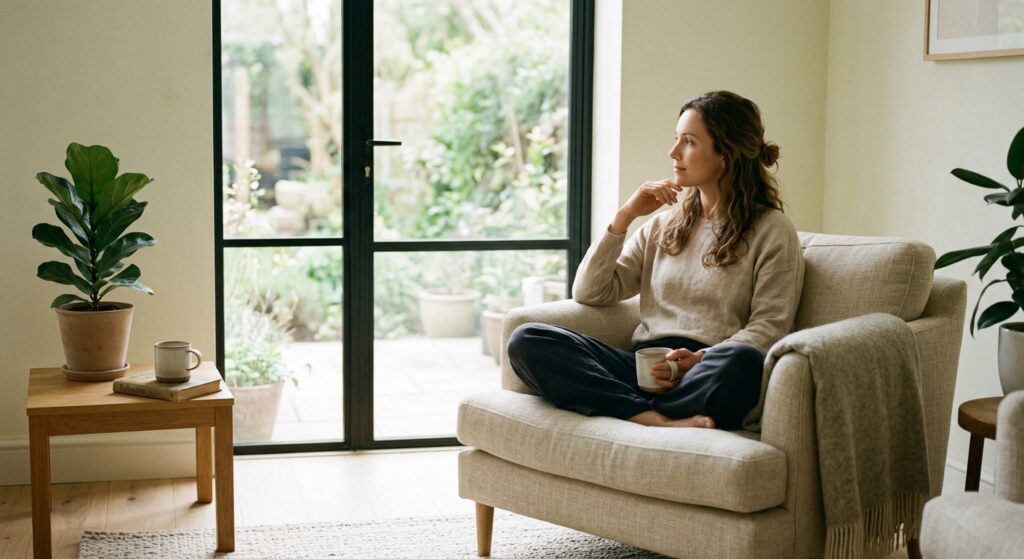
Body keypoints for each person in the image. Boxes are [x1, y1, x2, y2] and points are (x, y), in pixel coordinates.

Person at [508, 90, 804, 430]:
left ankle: (625, 407)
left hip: (705, 369)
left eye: (689, 142)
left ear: (727, 153)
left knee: (743, 363)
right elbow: (591, 292)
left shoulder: (772, 230)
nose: (673, 152)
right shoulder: (664, 224)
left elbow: (770, 328)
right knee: (528, 339)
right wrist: (625, 216)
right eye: (676, 139)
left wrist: (696, 360)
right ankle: (651, 418)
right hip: (642, 369)